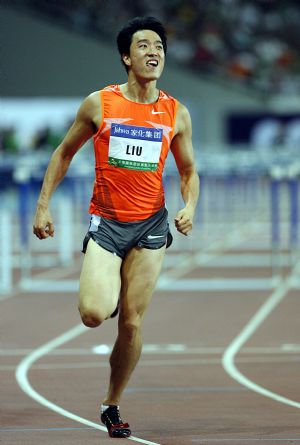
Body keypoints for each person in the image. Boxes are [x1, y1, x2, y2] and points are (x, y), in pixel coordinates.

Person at [33, 16, 199, 438]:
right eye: (144, 45)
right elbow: (63, 154)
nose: (154, 51)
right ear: (127, 57)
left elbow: (189, 170)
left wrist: (191, 206)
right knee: (93, 313)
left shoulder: (175, 112)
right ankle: (105, 293)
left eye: (159, 45)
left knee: (132, 323)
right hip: (107, 224)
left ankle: (111, 403)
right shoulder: (99, 104)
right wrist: (43, 207)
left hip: (151, 228)